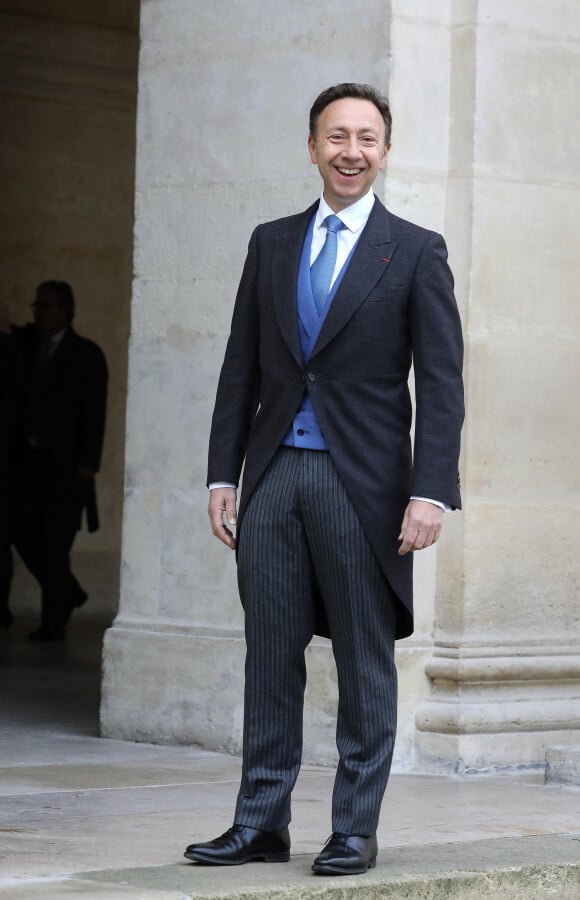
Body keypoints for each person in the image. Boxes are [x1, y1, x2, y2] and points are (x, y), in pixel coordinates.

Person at [184, 83, 464, 875]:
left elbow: (442, 385)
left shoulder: (415, 249)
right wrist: (221, 474)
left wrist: (431, 488)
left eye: (367, 138)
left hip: (365, 486)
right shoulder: (270, 242)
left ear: (384, 150)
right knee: (269, 653)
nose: (351, 151)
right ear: (311, 147)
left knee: (363, 662)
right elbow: (240, 367)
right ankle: (260, 822)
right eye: (336, 136)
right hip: (272, 476)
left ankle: (353, 830)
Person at [10, 281, 108, 641]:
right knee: (20, 532)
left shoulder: (86, 354)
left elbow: (94, 413)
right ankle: (68, 592)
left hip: (65, 468)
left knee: (55, 545)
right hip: (28, 462)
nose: (38, 312)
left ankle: (54, 623)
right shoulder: (27, 347)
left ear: (66, 310)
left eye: (46, 306)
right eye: (36, 305)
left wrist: (88, 463)